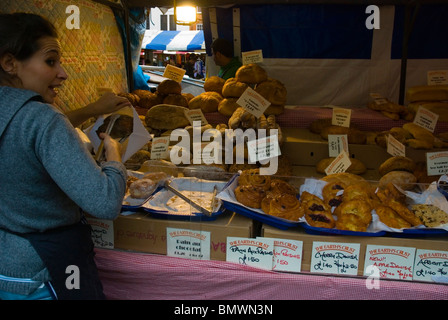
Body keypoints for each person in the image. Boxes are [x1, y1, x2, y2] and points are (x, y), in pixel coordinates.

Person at [0, 13, 128, 300]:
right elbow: (105, 203)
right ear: (10, 63)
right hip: (50, 272)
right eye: (50, 61)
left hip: (8, 268)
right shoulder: (43, 118)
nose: (63, 73)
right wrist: (114, 159)